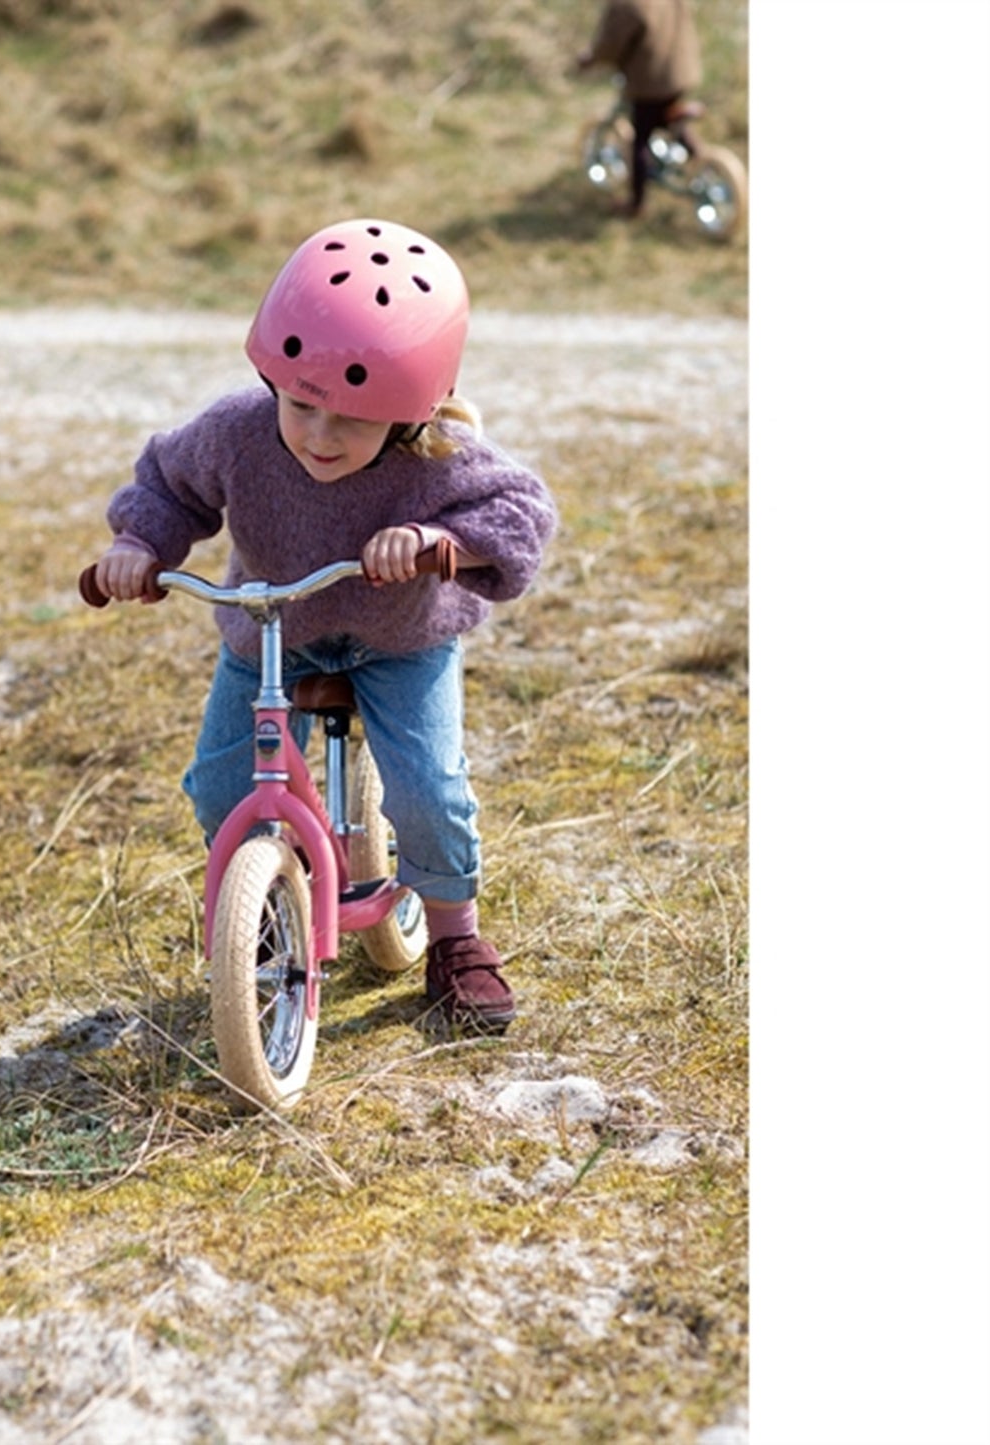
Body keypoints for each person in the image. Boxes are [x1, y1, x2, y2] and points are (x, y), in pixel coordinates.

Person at [89, 218, 557, 1028]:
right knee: (220, 785)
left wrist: (437, 542)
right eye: (303, 405)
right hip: (269, 633)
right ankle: (264, 913)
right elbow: (168, 484)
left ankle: (453, 940)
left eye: (354, 417)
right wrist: (139, 542)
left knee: (429, 792)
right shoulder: (236, 431)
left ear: (411, 414)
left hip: (398, 640)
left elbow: (522, 511)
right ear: (275, 379)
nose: (318, 434)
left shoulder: (436, 454)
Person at [576, 0, 702, 217]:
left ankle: (636, 203)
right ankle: (700, 161)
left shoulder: (626, 5)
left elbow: (610, 43)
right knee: (669, 119)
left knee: (640, 139)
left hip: (650, 82)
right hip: (679, 72)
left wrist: (590, 59)